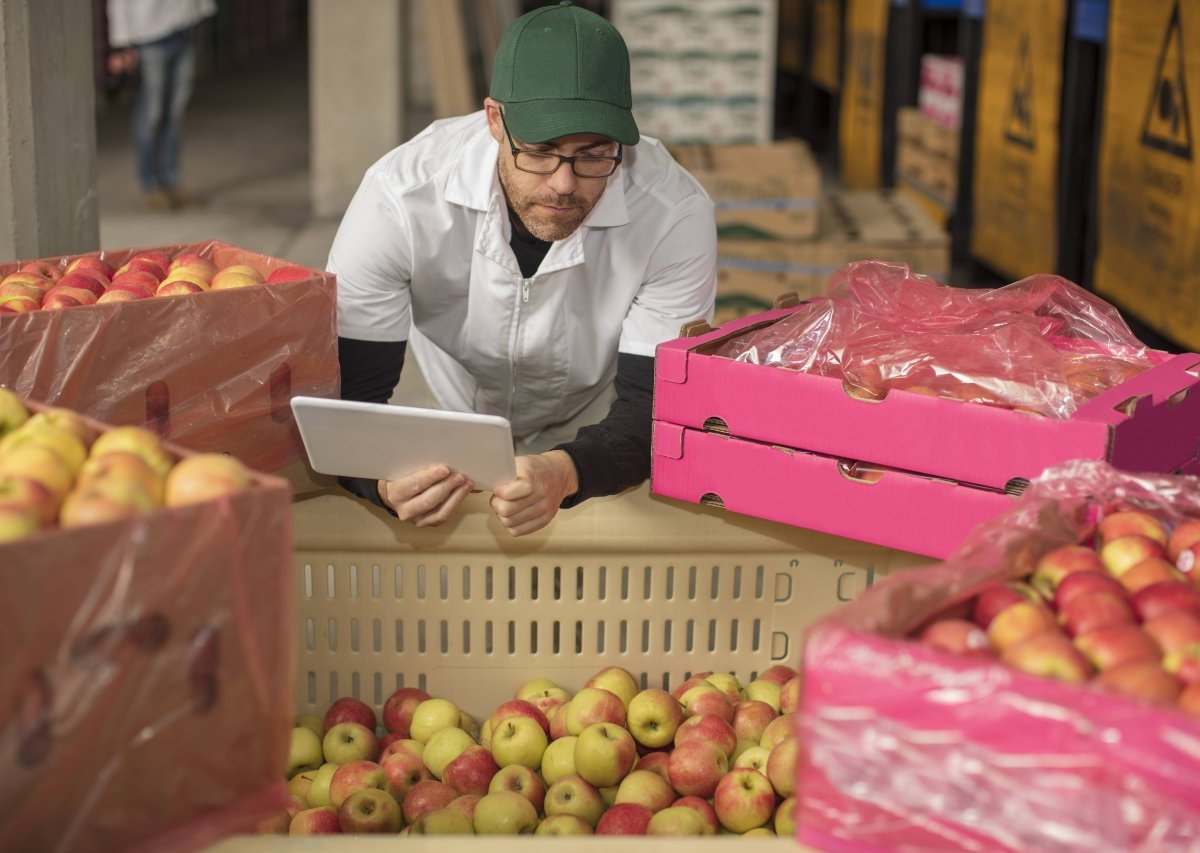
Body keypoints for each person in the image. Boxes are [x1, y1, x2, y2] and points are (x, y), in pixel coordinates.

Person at [330, 1, 716, 537]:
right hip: (459, 397)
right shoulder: (401, 197)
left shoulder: (673, 214)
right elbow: (349, 399)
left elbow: (659, 405)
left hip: (595, 404)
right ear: (494, 119)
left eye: (593, 153)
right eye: (539, 150)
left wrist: (568, 470)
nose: (564, 183)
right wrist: (380, 482)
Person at [106, 0, 216, 210]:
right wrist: (120, 43)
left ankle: (172, 182)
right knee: (151, 114)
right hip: (150, 36)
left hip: (183, 29)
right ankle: (151, 186)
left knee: (174, 113)